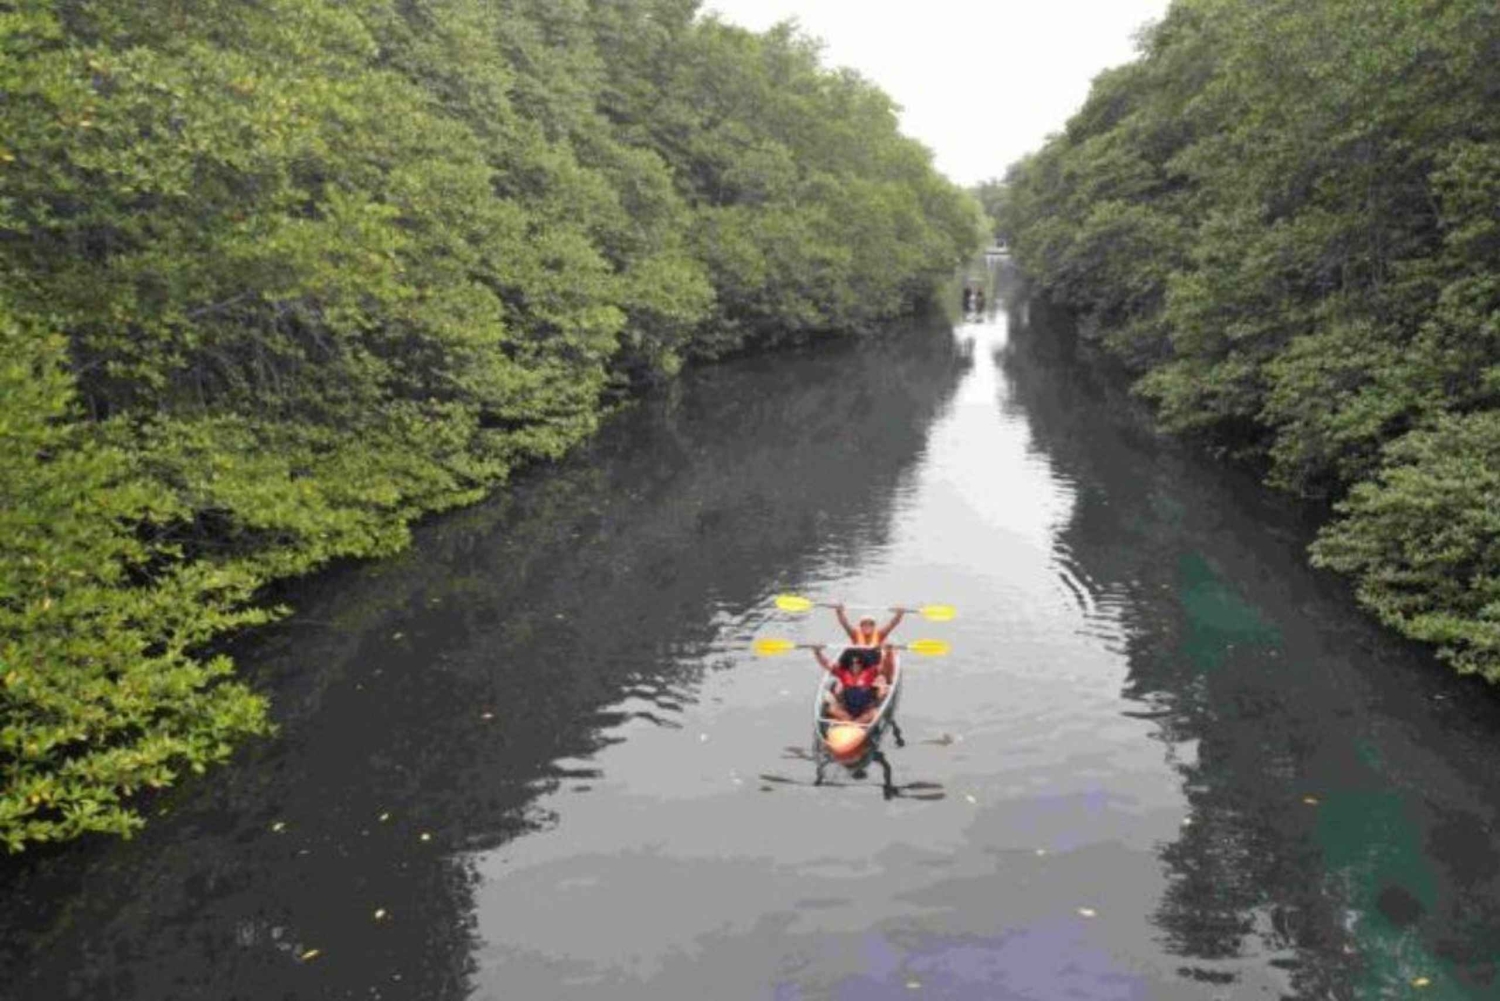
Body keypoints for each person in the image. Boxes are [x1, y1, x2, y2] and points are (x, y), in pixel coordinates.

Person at [811, 644, 889, 725]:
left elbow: (882, 667)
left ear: (863, 663)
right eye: (852, 663)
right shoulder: (843, 673)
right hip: (847, 712)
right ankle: (852, 723)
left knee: (875, 713)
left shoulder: (870, 672)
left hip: (865, 711)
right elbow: (827, 664)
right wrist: (817, 653)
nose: (855, 665)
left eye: (858, 662)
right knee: (832, 709)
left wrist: (887, 653)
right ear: (848, 663)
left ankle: (853, 724)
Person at [835, 603, 904, 683]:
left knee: (887, 657)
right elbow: (845, 624)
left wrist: (899, 614)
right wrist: (839, 612)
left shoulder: (880, 634)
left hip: (873, 665)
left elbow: (892, 624)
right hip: (859, 664)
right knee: (849, 653)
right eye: (864, 624)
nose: (867, 626)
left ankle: (885, 681)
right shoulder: (855, 634)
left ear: (874, 626)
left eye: (871, 624)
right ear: (860, 626)